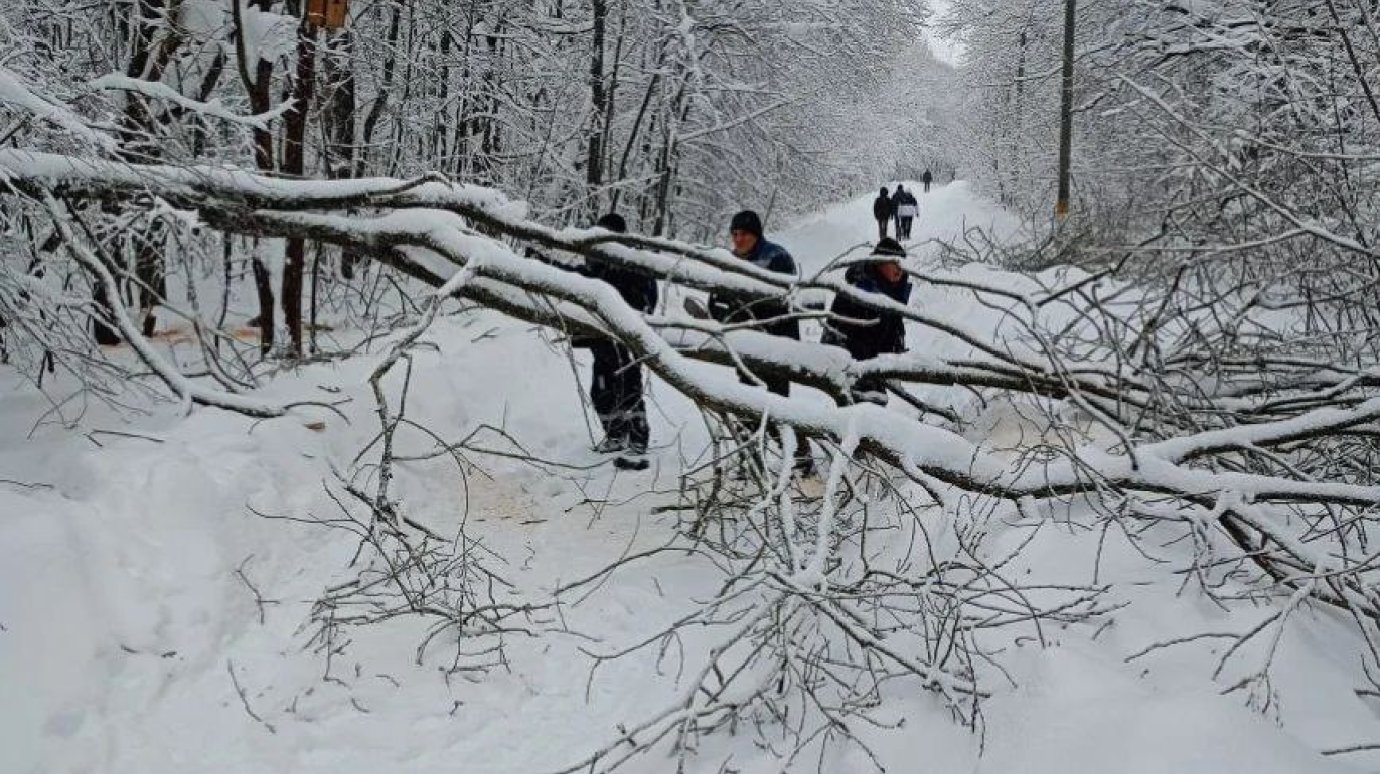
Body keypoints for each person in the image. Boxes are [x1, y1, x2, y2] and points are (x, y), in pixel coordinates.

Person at [707, 210, 814, 475]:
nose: (738, 239)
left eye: (743, 234)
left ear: (755, 234)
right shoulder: (730, 261)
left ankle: (802, 461)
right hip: (744, 345)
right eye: (734, 234)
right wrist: (723, 313)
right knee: (748, 405)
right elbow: (716, 299)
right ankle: (752, 462)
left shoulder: (775, 258)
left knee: (777, 407)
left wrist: (745, 309)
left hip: (775, 346)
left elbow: (780, 303)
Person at [557, 213, 657, 470]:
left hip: (626, 338)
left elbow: (648, 299)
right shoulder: (596, 259)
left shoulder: (633, 261)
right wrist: (544, 264)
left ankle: (637, 439)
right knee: (601, 391)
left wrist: (636, 321)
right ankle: (615, 434)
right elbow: (578, 277)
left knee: (629, 390)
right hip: (600, 338)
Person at [821, 238, 913, 405]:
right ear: (878, 263)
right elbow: (833, 334)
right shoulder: (857, 290)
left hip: (877, 373)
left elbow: (893, 333)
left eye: (901, 263)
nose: (899, 269)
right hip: (851, 374)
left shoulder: (894, 292)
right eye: (894, 263)